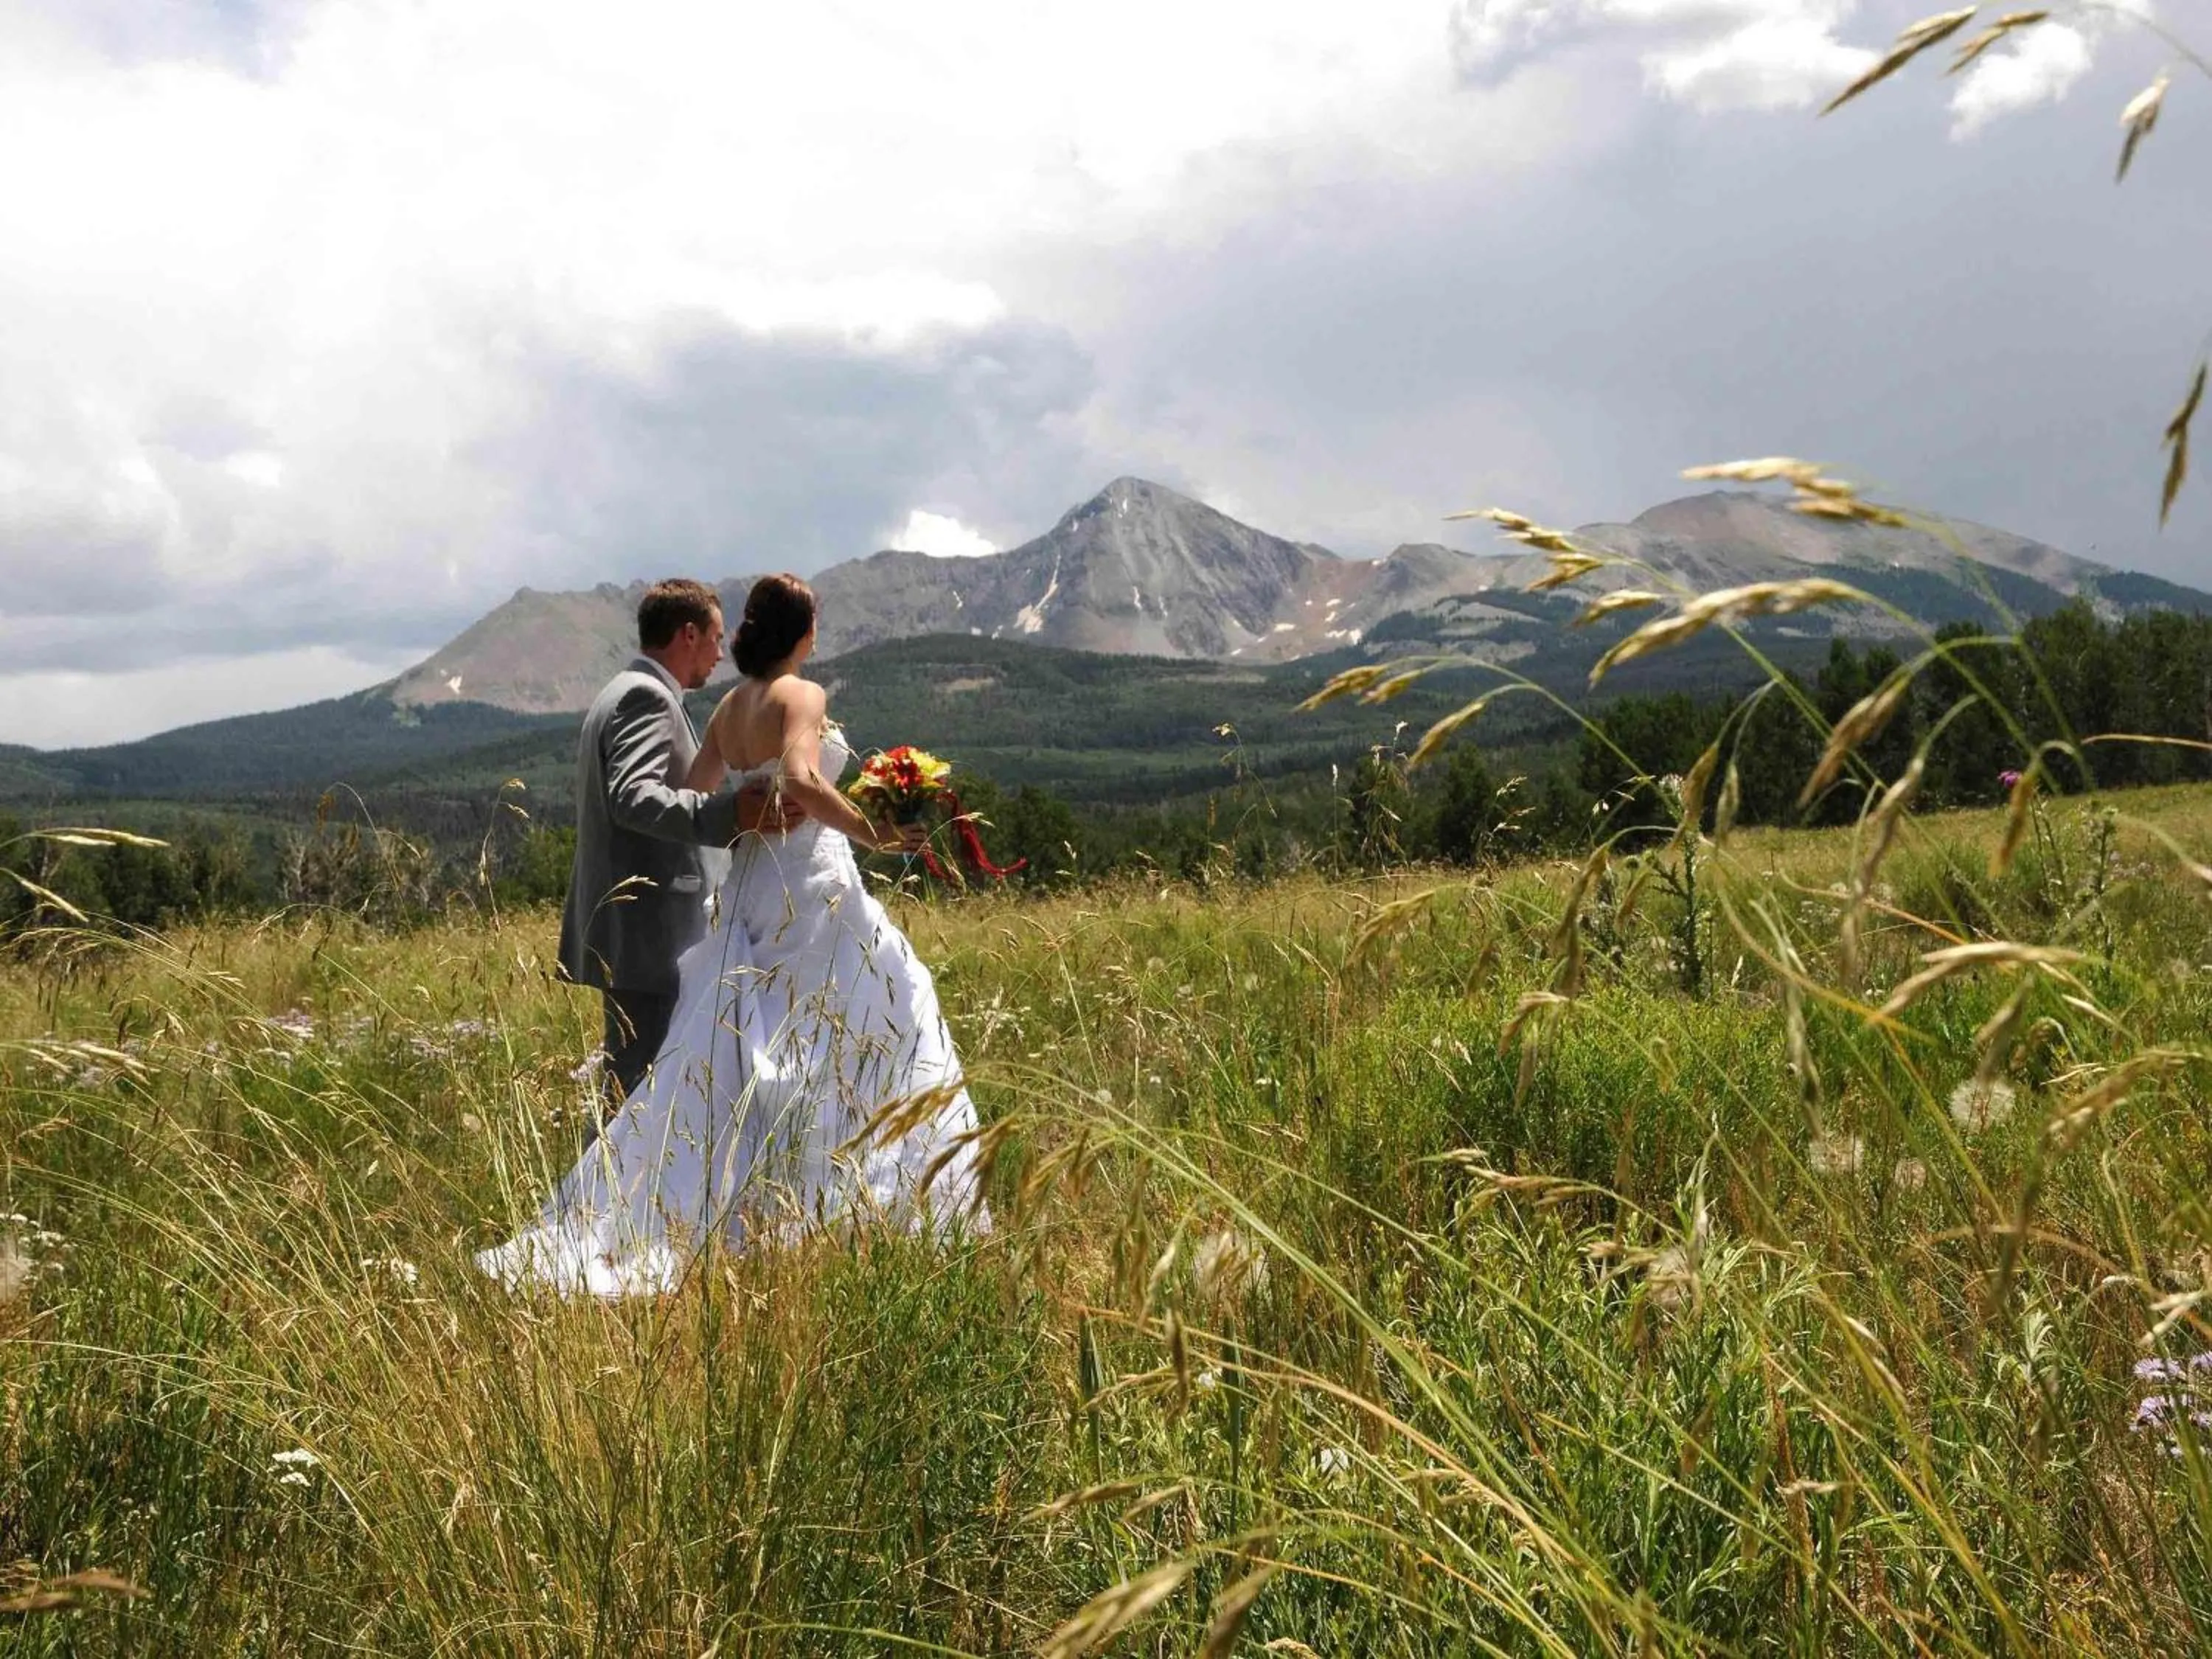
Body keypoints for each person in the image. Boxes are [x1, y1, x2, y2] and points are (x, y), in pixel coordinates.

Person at [480, 574, 989, 1295]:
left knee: (751, 1048)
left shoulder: (725, 706)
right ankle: (857, 1195)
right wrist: (874, 831)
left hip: (753, 890)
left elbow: (697, 785)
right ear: (804, 632)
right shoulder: (800, 696)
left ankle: (742, 1197)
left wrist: (738, 813)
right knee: (873, 1017)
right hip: (810, 885)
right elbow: (804, 780)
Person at [560, 579, 795, 1102]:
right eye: (714, 637)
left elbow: (664, 791)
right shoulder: (646, 696)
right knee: (637, 1095)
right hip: (650, 930)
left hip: (636, 931)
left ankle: (617, 1184)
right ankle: (603, 1186)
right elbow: (633, 797)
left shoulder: (626, 690)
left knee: (637, 1088)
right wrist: (731, 813)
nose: (720, 653)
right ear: (687, 634)